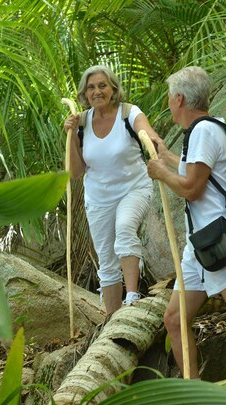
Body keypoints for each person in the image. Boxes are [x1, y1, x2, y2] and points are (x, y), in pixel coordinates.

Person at [147, 66, 226, 379]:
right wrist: (165, 157)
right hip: (201, 246)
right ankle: (195, 396)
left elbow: (192, 188)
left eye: (169, 95)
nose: (168, 100)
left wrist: (161, 174)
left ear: (178, 99)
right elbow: (197, 172)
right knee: (175, 320)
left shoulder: (204, 131)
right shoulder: (208, 129)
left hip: (219, 242)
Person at [64, 65, 160, 315]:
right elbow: (75, 172)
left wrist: (156, 147)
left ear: (113, 89)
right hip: (99, 198)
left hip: (134, 188)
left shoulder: (129, 113)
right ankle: (112, 317)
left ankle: (131, 297)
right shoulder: (82, 123)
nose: (97, 91)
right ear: (85, 94)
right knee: (106, 259)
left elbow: (149, 136)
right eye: (91, 87)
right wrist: (72, 135)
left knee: (125, 227)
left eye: (102, 85)